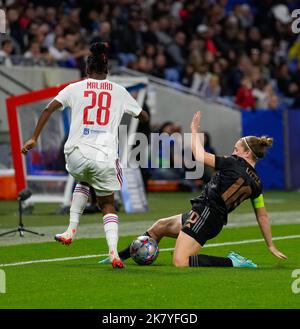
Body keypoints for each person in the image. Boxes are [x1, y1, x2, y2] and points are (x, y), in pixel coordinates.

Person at [100, 112, 287, 268]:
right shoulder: (257, 183)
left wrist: (194, 130)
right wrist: (270, 245)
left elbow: (198, 155)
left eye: (236, 149)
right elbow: (262, 215)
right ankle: (119, 256)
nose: (233, 152)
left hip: (206, 215)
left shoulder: (233, 163)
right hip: (209, 216)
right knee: (160, 227)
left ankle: (232, 262)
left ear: (247, 153)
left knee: (181, 261)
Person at [22, 42, 149, 269]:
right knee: (107, 204)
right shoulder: (120, 91)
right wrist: (138, 114)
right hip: (104, 158)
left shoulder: (75, 88)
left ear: (87, 70)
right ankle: (114, 253)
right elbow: (144, 116)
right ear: (107, 69)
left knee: (83, 178)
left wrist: (33, 138)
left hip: (75, 155)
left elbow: (48, 109)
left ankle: (71, 230)